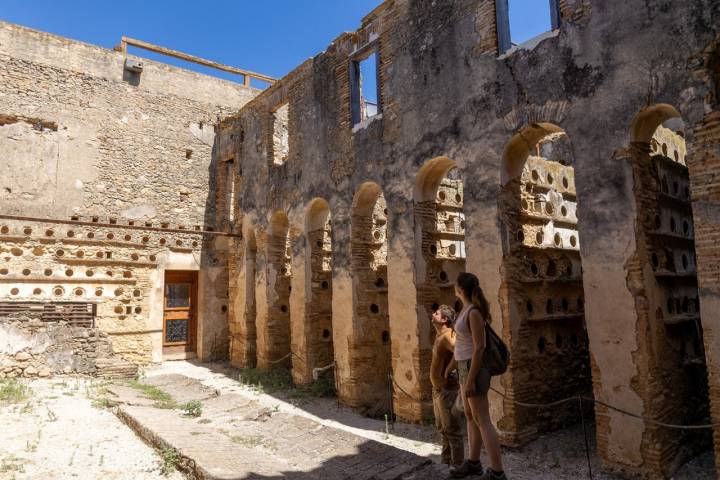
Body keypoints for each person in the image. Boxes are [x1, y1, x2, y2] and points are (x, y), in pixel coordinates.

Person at [450, 272, 506, 479]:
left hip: (474, 368)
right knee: (471, 416)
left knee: (483, 419)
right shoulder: (465, 309)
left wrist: (471, 378)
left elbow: (480, 347)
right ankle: (473, 462)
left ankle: (498, 472)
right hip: (465, 368)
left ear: (460, 289)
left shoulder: (474, 312)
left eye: (455, 285)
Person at [430, 304, 464, 467]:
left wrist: (448, 370)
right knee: (443, 429)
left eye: (436, 313)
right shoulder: (439, 335)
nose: (433, 314)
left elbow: (459, 350)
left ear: (444, 319)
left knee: (452, 431)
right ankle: (445, 463)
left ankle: (457, 466)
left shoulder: (446, 336)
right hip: (438, 390)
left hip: (446, 390)